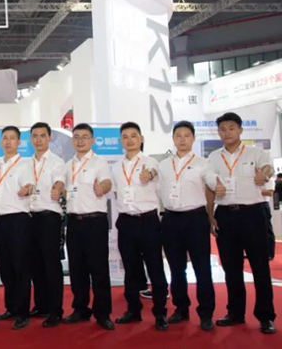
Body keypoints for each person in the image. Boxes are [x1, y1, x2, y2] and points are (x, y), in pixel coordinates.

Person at [206, 112, 276, 335]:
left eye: (231, 128)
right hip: (225, 215)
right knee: (231, 268)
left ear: (240, 130)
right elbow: (209, 185)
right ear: (218, 132)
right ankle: (235, 313)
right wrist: (210, 215)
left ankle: (266, 316)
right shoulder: (213, 158)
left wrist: (264, 176)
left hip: (253, 214)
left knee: (260, 267)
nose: (226, 133)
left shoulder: (256, 152)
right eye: (222, 129)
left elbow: (268, 168)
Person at [157, 121, 219, 332]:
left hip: (195, 219)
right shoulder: (164, 165)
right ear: (173, 139)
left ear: (193, 138)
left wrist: (217, 184)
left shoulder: (203, 163)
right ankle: (181, 308)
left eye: (186, 135)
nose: (182, 139)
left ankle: (206, 313)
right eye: (178, 135)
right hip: (171, 219)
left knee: (202, 268)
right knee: (176, 268)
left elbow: (211, 180)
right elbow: (158, 189)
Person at [111, 122, 168, 331]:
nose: (129, 140)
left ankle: (160, 313)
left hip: (148, 221)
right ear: (121, 140)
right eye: (125, 136)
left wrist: (150, 175)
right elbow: (116, 192)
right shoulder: (116, 167)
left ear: (141, 138)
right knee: (130, 269)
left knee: (155, 267)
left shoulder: (151, 162)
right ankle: (133, 310)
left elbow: (155, 174)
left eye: (133, 135)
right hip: (126, 222)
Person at [62, 123, 115, 331]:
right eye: (76, 137)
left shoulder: (99, 162)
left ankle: (103, 313)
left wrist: (102, 188)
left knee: (99, 269)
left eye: (85, 137)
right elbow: (65, 189)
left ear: (92, 140)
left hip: (95, 222)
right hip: (74, 222)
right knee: (77, 269)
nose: (80, 140)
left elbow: (107, 182)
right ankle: (81, 309)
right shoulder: (68, 165)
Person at [24, 122, 66, 327]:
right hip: (29, 217)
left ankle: (56, 310)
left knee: (51, 263)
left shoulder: (57, 162)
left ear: (50, 137)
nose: (38, 139)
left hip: (49, 217)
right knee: (35, 263)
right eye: (35, 136)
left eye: (42, 135)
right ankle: (41, 305)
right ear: (30, 139)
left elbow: (60, 181)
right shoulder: (25, 163)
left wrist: (58, 188)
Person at [0, 126, 32, 329]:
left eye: (12, 138)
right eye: (5, 138)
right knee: (5, 267)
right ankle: (11, 307)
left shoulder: (25, 165)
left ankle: (23, 312)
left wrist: (28, 189)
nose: (8, 142)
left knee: (20, 267)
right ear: (0, 142)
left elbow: (30, 185)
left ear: (19, 142)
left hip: (18, 220)